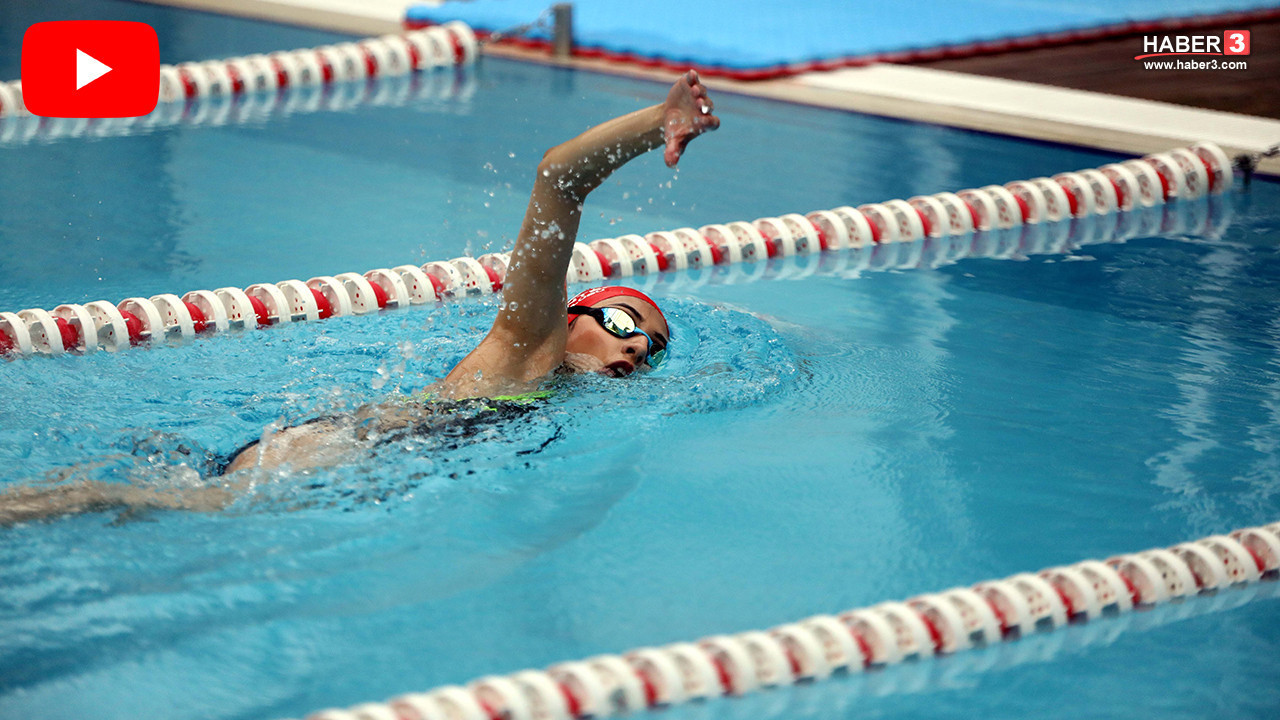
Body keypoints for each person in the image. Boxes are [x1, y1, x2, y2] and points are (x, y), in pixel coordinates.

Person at [0, 71, 720, 524]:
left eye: (652, 348)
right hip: (335, 451)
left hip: (342, 452)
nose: (635, 346)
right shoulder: (531, 348)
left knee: (147, 506)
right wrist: (653, 124)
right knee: (150, 507)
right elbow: (559, 179)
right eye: (626, 322)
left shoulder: (553, 390)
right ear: (574, 315)